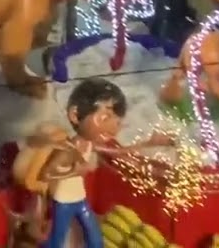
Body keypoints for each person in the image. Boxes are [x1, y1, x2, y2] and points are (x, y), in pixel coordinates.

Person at [13, 79, 170, 248]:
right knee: (56, 242)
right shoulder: (67, 149)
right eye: (105, 117)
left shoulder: (89, 145)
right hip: (63, 204)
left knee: (95, 239)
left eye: (117, 121)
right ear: (74, 115)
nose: (112, 127)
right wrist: (74, 171)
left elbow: (118, 152)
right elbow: (47, 174)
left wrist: (149, 143)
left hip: (80, 201)